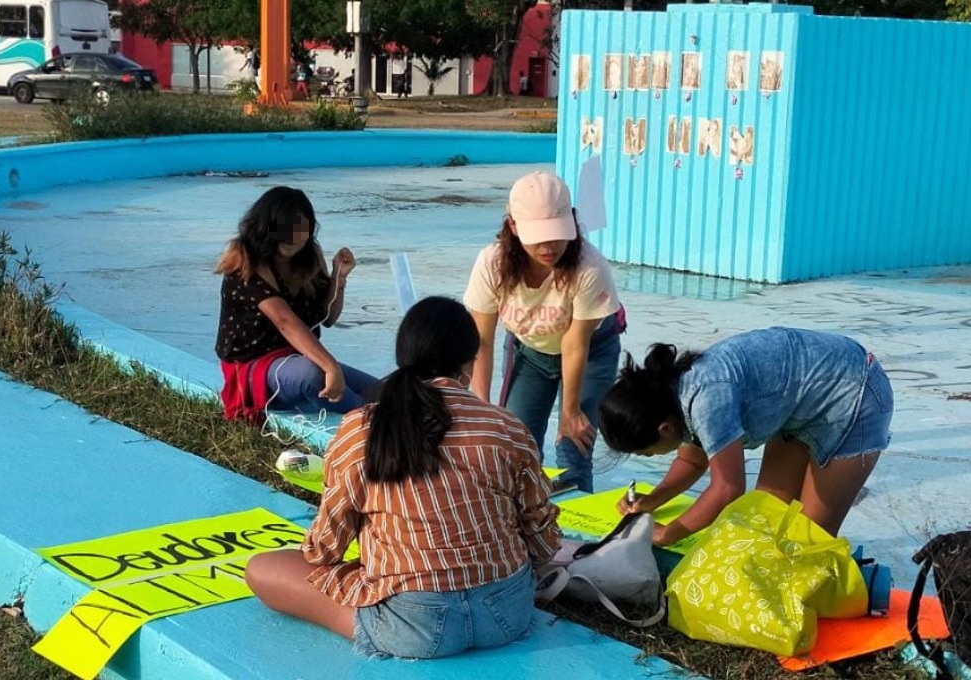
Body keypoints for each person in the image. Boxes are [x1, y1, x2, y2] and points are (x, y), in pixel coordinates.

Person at [245, 296, 562, 659]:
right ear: (470, 362)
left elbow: (324, 550)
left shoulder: (360, 429)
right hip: (508, 615)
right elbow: (541, 538)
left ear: (403, 357)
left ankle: (371, 619)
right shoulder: (506, 427)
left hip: (413, 627)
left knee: (262, 568)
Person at [598, 327, 893, 546]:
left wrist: (668, 533)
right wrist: (652, 501)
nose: (651, 457)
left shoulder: (706, 398)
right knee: (767, 520)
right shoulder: (668, 395)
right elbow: (692, 460)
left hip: (854, 392)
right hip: (801, 401)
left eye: (647, 452)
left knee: (808, 540)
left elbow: (727, 488)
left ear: (664, 429)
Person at [464, 171, 625, 494]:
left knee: (573, 449)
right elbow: (482, 340)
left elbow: (575, 343)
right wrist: (481, 408)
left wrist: (570, 411)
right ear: (513, 227)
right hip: (529, 352)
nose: (549, 247)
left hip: (591, 353)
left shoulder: (590, 266)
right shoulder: (491, 264)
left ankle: (574, 539)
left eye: (557, 234)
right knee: (515, 445)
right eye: (538, 236)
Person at [214, 186, 377, 422]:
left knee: (380, 390)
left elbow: (328, 317)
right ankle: (375, 420)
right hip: (254, 367)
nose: (293, 243)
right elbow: (285, 321)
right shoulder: (245, 261)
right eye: (285, 236)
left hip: (297, 356)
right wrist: (331, 367)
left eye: (300, 234)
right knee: (313, 375)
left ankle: (382, 412)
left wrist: (338, 279)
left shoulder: (308, 255)